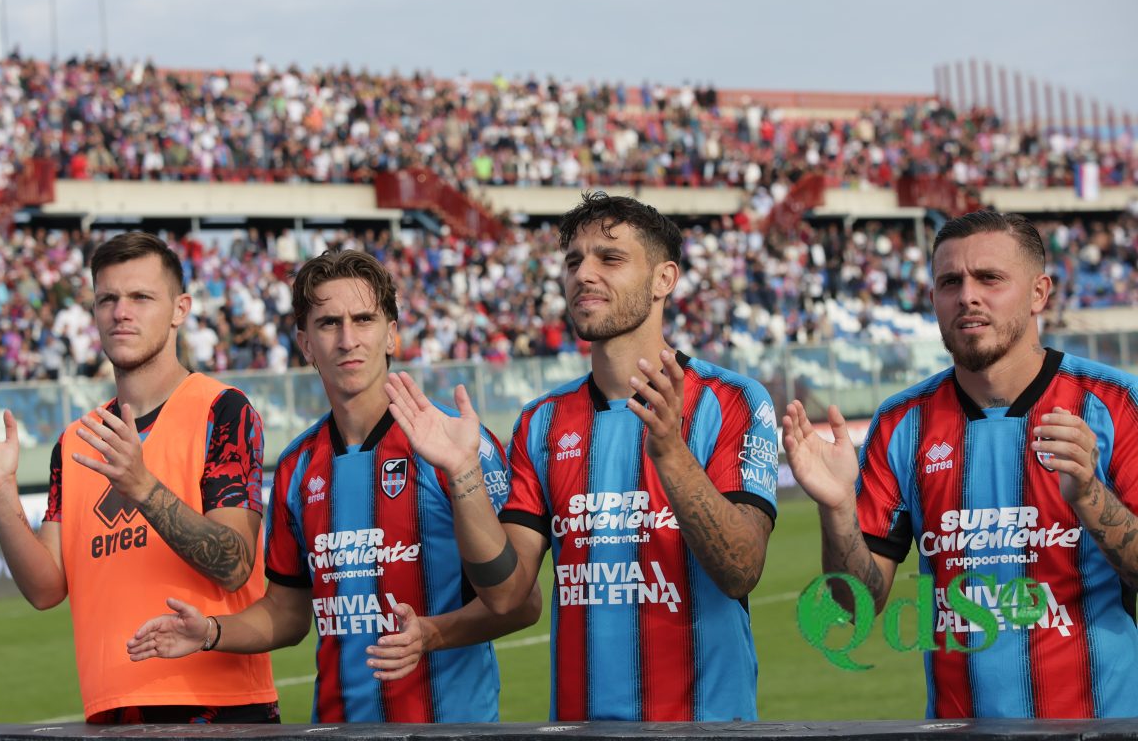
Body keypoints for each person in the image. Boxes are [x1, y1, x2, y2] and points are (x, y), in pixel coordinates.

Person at [388, 192, 778, 721]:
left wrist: (670, 454)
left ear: (664, 279)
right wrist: (463, 475)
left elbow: (741, 569)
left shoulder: (733, 400)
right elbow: (507, 596)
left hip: (704, 731)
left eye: (609, 258)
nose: (583, 274)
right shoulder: (542, 421)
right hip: (580, 731)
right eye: (574, 261)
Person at [127, 249, 540, 722]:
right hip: (335, 729)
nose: (348, 340)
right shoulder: (297, 467)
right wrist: (210, 632)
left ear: (391, 333)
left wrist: (432, 634)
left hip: (449, 731)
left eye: (363, 320)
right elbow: (287, 611)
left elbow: (520, 603)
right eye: (329, 324)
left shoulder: (456, 444)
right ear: (305, 344)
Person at [782, 210, 1138, 718]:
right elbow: (854, 605)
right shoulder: (902, 423)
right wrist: (838, 509)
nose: (967, 296)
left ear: (1039, 293)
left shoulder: (1117, 403)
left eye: (990, 278)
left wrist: (1089, 495)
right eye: (951, 282)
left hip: (1102, 726)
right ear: (934, 300)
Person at [0, 231, 278, 723]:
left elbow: (234, 564)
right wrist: (0, 491)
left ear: (180, 309)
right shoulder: (74, 441)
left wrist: (142, 486)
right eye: (107, 299)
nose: (121, 312)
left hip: (219, 708)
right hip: (110, 711)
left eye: (141, 297)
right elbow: (45, 589)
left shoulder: (221, 410)